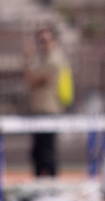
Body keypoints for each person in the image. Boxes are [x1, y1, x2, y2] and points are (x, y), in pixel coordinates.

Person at [23, 27, 72, 178]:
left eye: (45, 40)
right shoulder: (45, 58)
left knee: (46, 153)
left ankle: (50, 184)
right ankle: (41, 183)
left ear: (54, 41)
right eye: (40, 40)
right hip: (41, 109)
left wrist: (28, 60)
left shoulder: (54, 60)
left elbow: (33, 80)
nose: (42, 44)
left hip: (48, 110)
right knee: (38, 152)